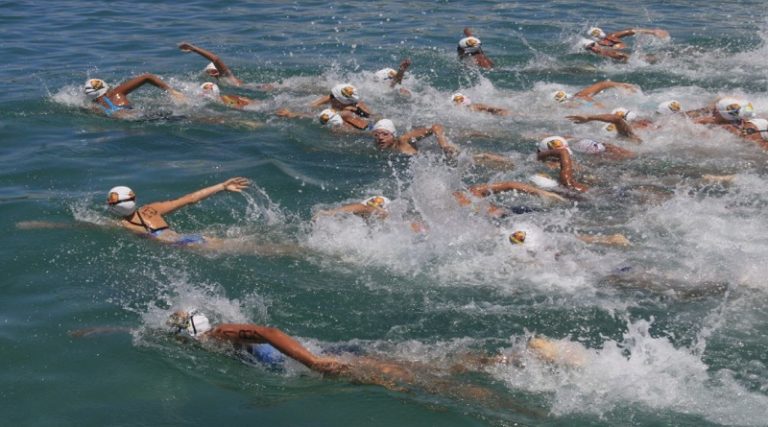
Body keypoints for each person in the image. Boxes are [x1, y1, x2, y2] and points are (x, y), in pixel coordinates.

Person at [106, 177, 249, 247]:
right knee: (244, 245)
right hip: (189, 239)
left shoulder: (124, 224)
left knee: (247, 248)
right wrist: (222, 186)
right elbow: (190, 199)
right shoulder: (151, 209)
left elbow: (95, 222)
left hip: (185, 244)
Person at [371, 119, 515, 169]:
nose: (380, 138)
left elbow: (436, 127)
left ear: (393, 135)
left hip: (441, 153)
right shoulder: (379, 146)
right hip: (431, 158)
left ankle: (511, 161)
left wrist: (444, 145)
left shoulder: (404, 139)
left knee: (475, 159)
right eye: (377, 135)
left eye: (385, 134)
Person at [84, 74, 185, 118]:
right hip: (145, 116)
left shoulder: (94, 107)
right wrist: (171, 91)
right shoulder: (115, 93)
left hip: (129, 125)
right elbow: (147, 77)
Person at [178, 42, 243, 86]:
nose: (212, 74)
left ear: (218, 70)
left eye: (214, 71)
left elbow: (216, 59)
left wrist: (194, 49)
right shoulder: (219, 81)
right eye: (209, 73)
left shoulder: (226, 75)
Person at [551, 80, 639, 108]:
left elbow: (603, 84)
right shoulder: (579, 103)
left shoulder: (579, 96)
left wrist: (620, 85)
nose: (569, 104)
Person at [586, 26, 670, 50]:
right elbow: (630, 31)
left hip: (626, 57)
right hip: (631, 54)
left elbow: (629, 31)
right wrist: (653, 32)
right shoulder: (611, 36)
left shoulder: (594, 46)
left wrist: (653, 32)